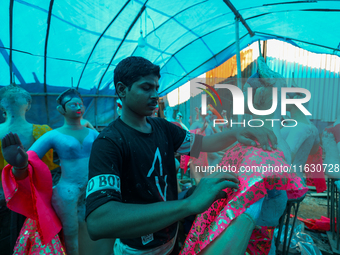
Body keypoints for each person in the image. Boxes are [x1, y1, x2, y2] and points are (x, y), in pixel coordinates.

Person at [85, 56, 279, 255]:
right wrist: (187, 205)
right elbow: (98, 222)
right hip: (137, 250)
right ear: (122, 90)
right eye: (145, 88)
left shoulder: (163, 128)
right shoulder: (109, 143)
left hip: (170, 238)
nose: (154, 95)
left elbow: (203, 144)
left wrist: (236, 132)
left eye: (156, 88)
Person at [1, 89, 114, 255]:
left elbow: (109, 152)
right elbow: (30, 156)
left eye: (80, 104)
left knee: (95, 227)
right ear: (61, 110)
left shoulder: (93, 133)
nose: (78, 107)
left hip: (93, 188)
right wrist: (20, 163)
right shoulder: (53, 135)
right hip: (67, 190)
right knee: (71, 233)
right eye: (72, 104)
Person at [0, 84, 58, 254]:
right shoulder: (43, 131)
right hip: (34, 199)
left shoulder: (44, 132)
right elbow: (48, 170)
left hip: (3, 196)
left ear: (2, 106)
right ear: (28, 105)